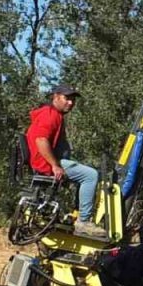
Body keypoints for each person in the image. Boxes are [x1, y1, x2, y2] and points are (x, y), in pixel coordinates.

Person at [25, 84, 101, 237]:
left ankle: (76, 214)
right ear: (56, 96)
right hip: (45, 164)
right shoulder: (50, 115)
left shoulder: (51, 114)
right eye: (67, 98)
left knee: (81, 170)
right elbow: (41, 140)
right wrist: (55, 165)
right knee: (91, 175)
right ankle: (84, 222)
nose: (71, 103)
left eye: (73, 100)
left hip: (46, 162)